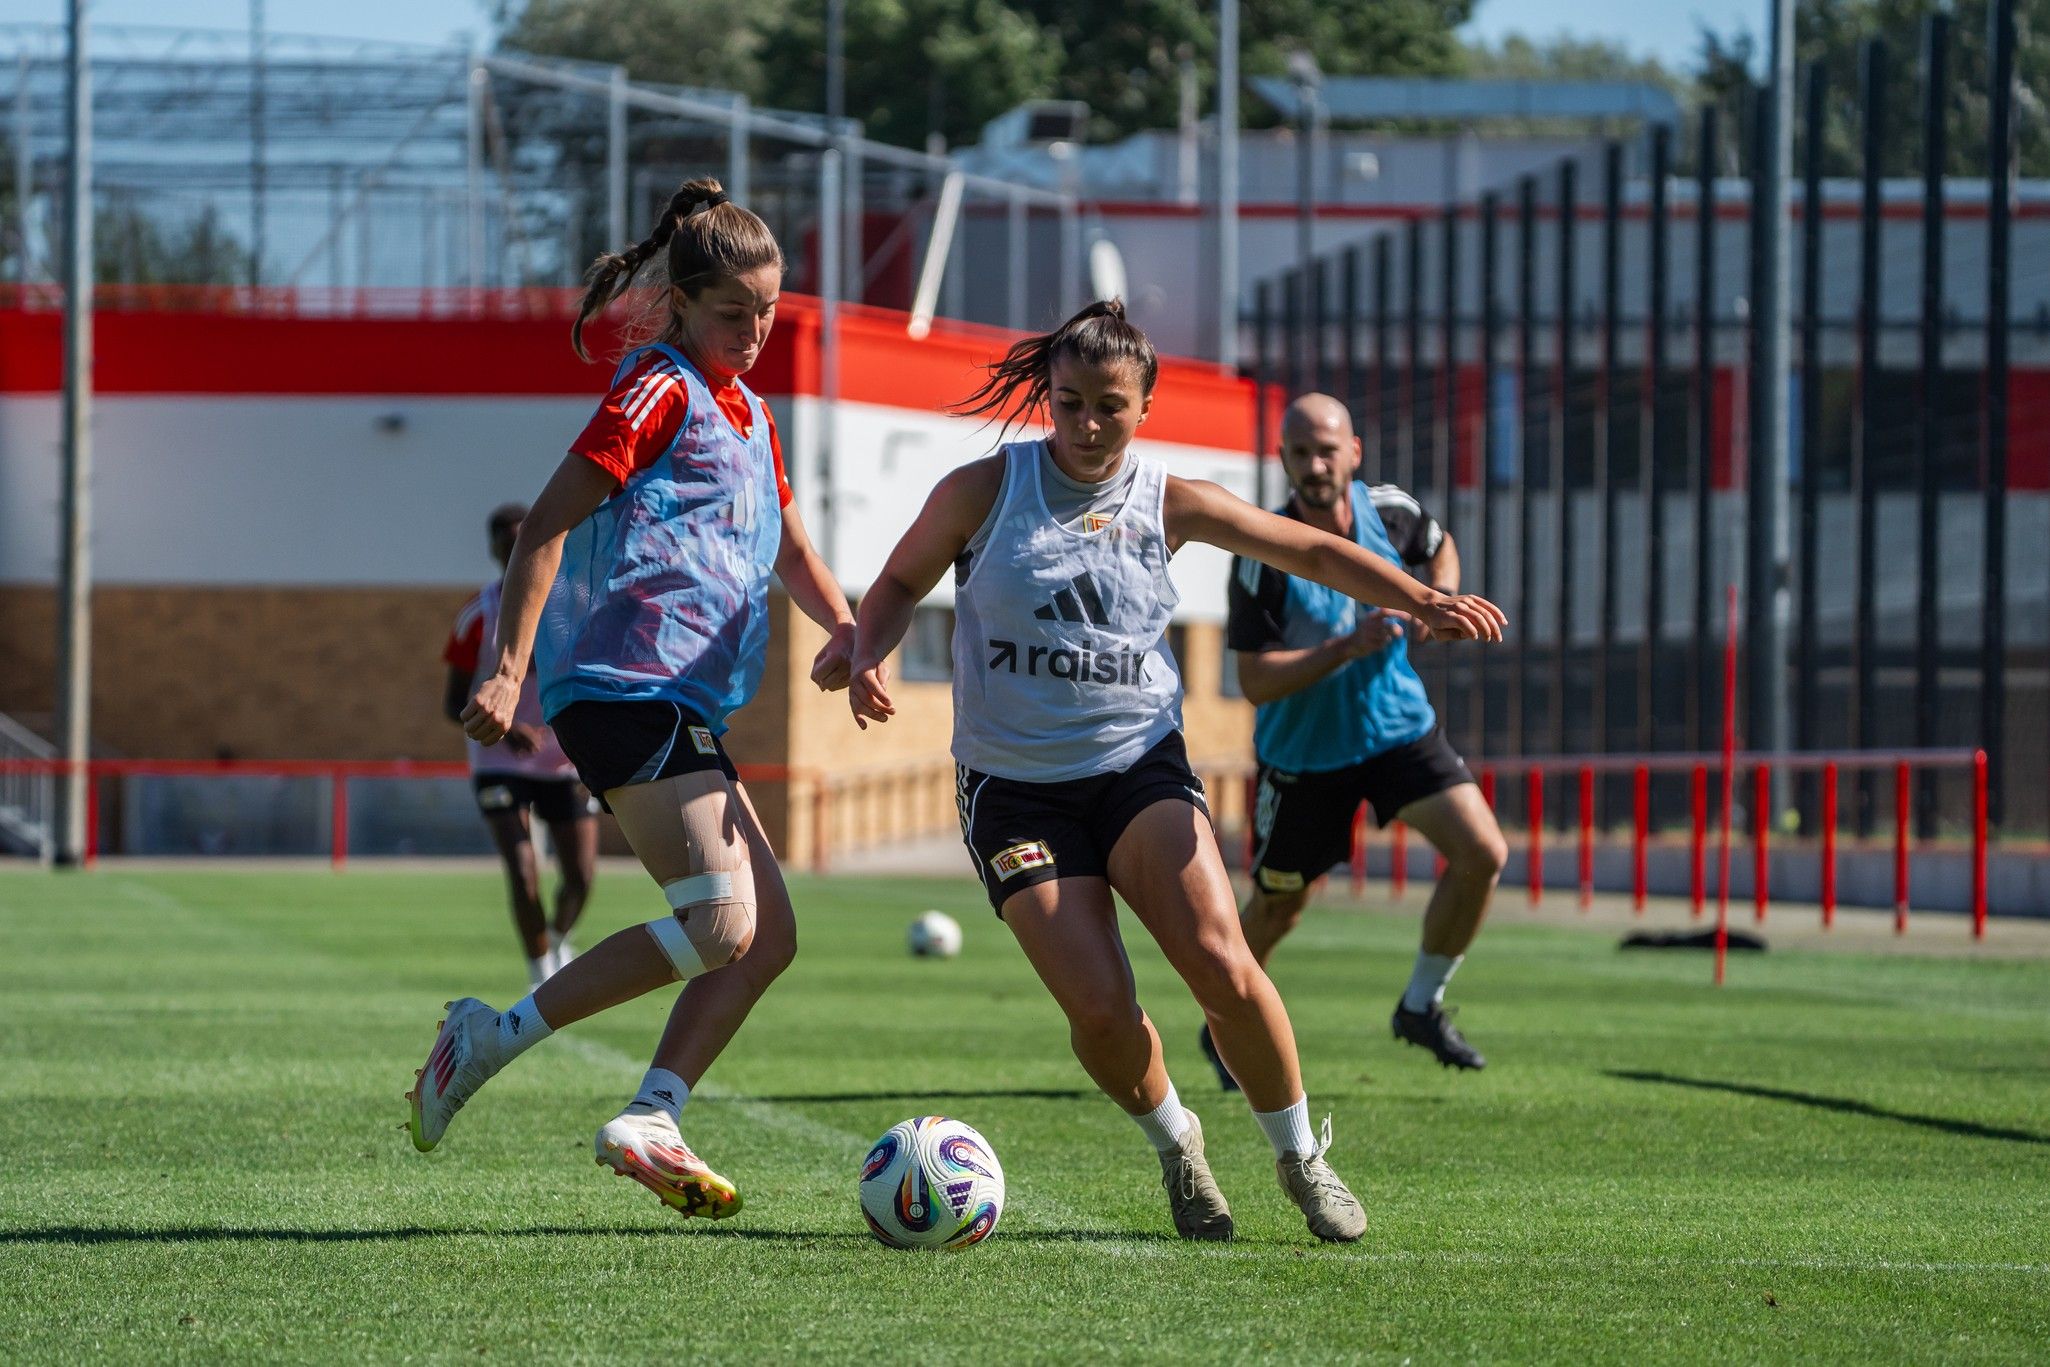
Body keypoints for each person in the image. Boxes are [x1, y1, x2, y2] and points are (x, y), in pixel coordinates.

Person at [849, 302, 1505, 1243]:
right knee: (1102, 1009)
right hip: (1013, 787)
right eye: (1067, 402)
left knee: (1222, 964)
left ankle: (1302, 1160)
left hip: (1136, 765)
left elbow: (1309, 548)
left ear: (1146, 407)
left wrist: (1422, 598)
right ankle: (1178, 1145)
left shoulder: (1170, 499)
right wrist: (870, 646)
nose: (1084, 425)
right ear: (1047, 396)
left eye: (1108, 407)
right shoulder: (983, 490)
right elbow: (900, 583)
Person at [405, 178, 857, 1223]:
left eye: (768, 315)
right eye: (732, 314)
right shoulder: (655, 389)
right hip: (619, 683)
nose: (751, 334)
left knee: (767, 935)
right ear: (685, 302)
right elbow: (546, 525)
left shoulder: (753, 412)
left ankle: (655, 1109)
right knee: (722, 921)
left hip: (682, 698)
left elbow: (789, 543)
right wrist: (507, 667)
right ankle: (491, 1035)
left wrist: (849, 630)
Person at [1201, 392, 1510, 1085]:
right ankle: (1222, 1018)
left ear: (1355, 452)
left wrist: (1443, 601)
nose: (1315, 464)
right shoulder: (1262, 552)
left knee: (1483, 851)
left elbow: (1441, 549)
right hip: (1304, 757)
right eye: (1301, 452)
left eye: (1327, 449)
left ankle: (1420, 1003)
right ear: (1282, 459)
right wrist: (1345, 646)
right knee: (1279, 907)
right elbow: (1254, 680)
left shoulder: (1392, 512)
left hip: (1397, 728)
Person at [442, 502, 600, 987]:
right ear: (493, 548)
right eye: (506, 540)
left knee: (581, 875)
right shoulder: (479, 613)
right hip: (499, 763)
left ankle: (556, 938)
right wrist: (505, 729)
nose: (516, 547)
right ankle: (539, 976)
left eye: (523, 536)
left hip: (565, 760)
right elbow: (454, 702)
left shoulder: (576, 601)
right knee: (523, 867)